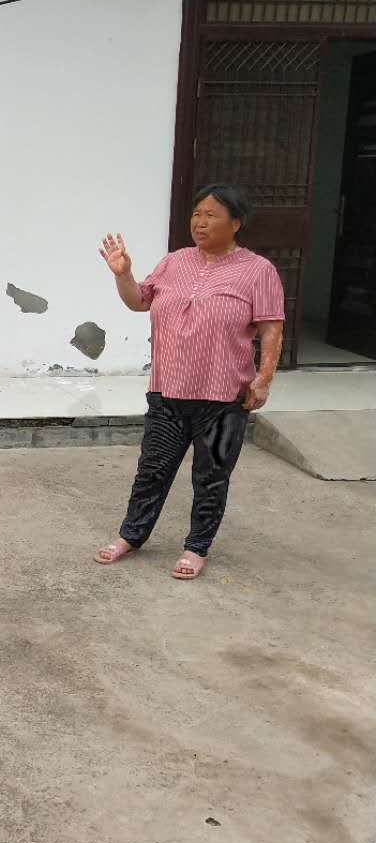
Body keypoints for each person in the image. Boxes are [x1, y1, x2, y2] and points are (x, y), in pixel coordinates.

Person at [95, 183, 284, 580]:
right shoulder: (174, 262)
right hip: (167, 391)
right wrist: (123, 274)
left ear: (236, 222)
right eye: (197, 214)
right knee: (152, 470)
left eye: (211, 215)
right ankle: (131, 535)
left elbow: (271, 329)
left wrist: (264, 378)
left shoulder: (258, 271)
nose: (200, 222)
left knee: (211, 476)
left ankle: (196, 547)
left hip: (223, 398)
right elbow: (138, 301)